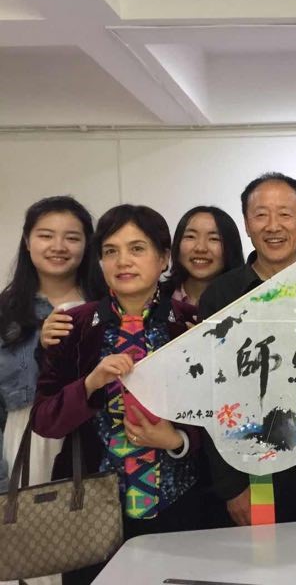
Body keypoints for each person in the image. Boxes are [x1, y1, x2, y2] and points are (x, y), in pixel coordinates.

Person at [32, 205, 202, 584]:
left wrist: (177, 440)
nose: (123, 261)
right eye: (111, 251)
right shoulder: (72, 325)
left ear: (163, 258)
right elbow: (44, 420)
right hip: (92, 510)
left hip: (180, 505)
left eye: (137, 248)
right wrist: (90, 384)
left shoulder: (190, 324)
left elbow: (218, 416)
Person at [198, 172, 296, 526]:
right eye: (261, 215)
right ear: (247, 224)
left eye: (285, 214)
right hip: (251, 466)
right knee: (263, 555)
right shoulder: (221, 295)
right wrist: (231, 487)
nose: (273, 226)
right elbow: (210, 395)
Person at [1, 196, 93, 495]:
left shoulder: (105, 303)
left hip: (95, 432)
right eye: (46, 236)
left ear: (87, 244)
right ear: (27, 242)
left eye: (72, 238)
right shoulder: (6, 311)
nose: (58, 246)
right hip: (30, 438)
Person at [166, 206, 244, 306]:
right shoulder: (155, 299)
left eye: (214, 238)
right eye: (191, 236)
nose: (200, 248)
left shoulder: (246, 301)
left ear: (231, 247)